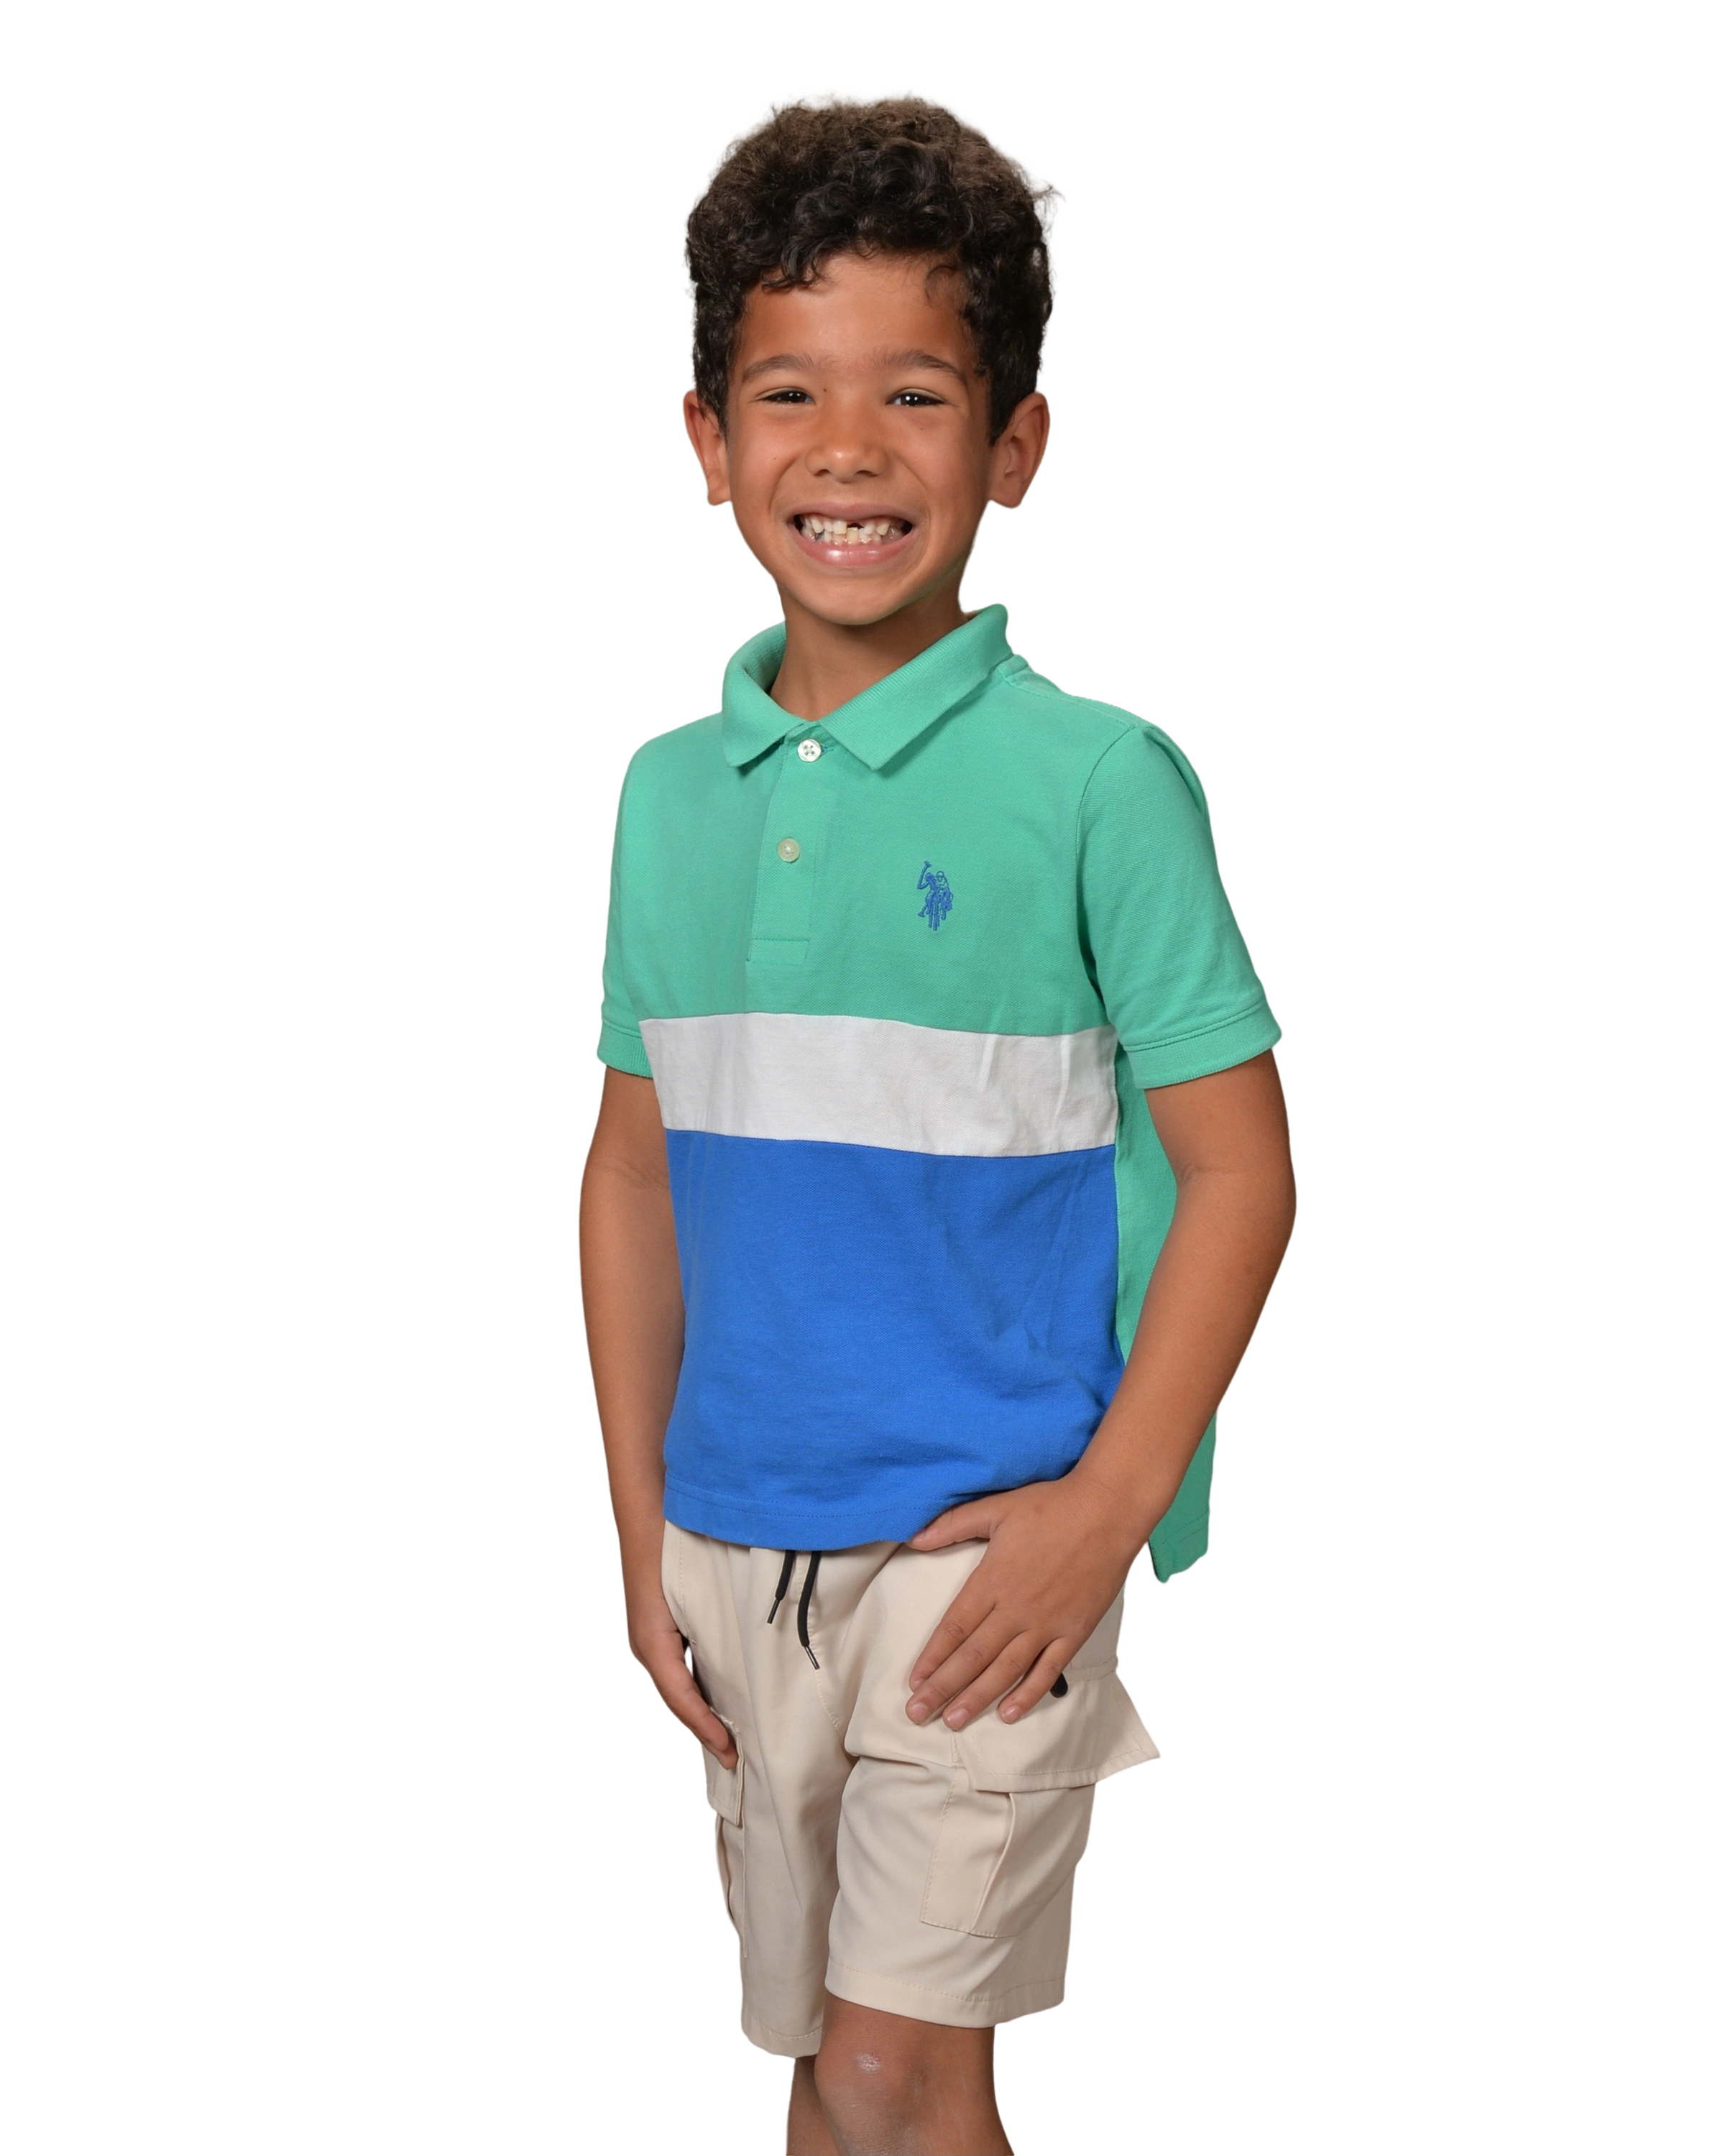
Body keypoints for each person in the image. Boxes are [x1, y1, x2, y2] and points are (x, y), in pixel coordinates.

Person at [578, 85, 1298, 2156]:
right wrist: (643, 1537)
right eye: (788, 392)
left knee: (899, 2070)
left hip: (987, 1554)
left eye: (916, 392)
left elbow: (1244, 1170)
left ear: (1018, 443)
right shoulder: (664, 795)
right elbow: (634, 1171)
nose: (850, 448)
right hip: (734, 1547)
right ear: (708, 438)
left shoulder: (1099, 787)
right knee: (837, 2072)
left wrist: (1108, 1506)